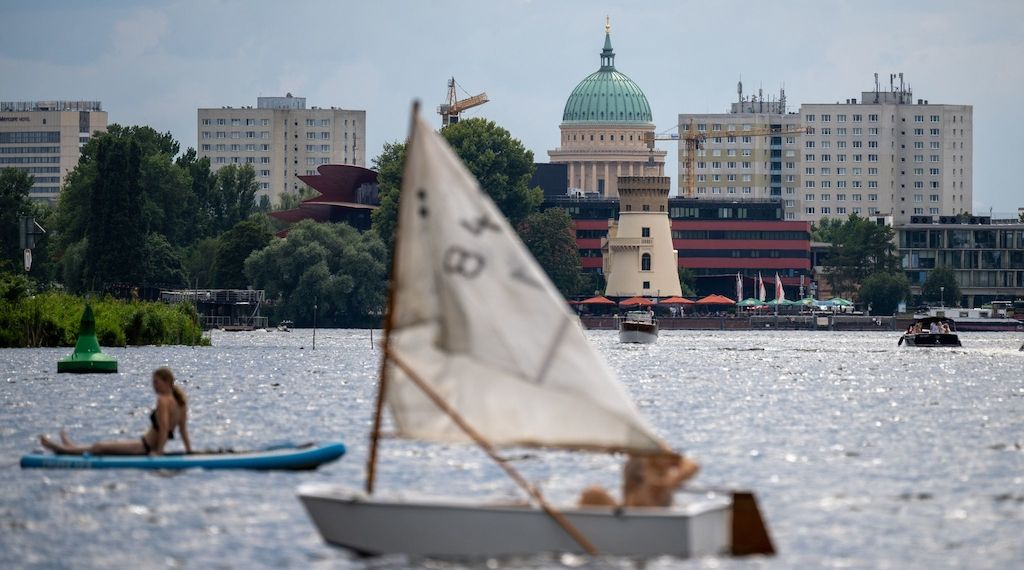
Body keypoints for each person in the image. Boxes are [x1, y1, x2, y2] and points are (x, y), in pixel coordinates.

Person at [40, 367, 191, 456]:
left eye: (156, 383)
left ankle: (62, 450)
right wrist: (189, 451)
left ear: (166, 382)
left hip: (144, 447)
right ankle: (71, 447)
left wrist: (158, 453)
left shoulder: (164, 400)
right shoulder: (181, 403)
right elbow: (183, 431)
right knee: (100, 446)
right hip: (147, 446)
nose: (154, 387)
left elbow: (164, 429)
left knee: (99, 447)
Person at [578, 452, 700, 508]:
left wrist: (671, 483)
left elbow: (692, 465)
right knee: (594, 493)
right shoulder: (639, 467)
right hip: (629, 515)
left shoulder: (666, 484)